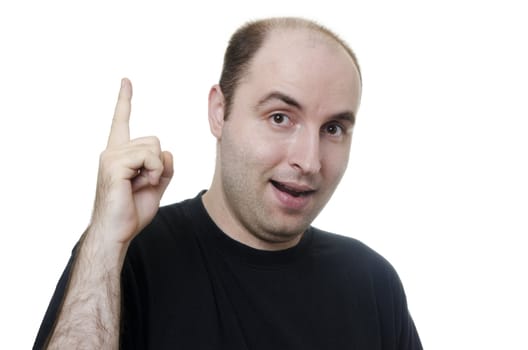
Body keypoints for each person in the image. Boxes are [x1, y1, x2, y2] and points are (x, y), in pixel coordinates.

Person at [34, 17, 422, 349]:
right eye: (280, 117)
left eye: (333, 128)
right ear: (220, 112)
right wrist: (104, 243)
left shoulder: (372, 283)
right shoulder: (127, 259)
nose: (309, 160)